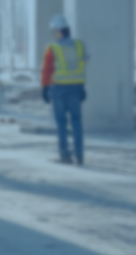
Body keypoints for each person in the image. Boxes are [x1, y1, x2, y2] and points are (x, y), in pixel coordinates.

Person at [40, 15, 88, 166]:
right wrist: (82, 87)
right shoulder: (79, 45)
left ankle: (64, 155)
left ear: (60, 31)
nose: (54, 34)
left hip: (59, 88)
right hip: (76, 88)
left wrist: (44, 87)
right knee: (77, 122)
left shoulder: (52, 48)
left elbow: (47, 70)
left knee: (61, 122)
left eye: (54, 31)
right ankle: (79, 156)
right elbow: (82, 65)